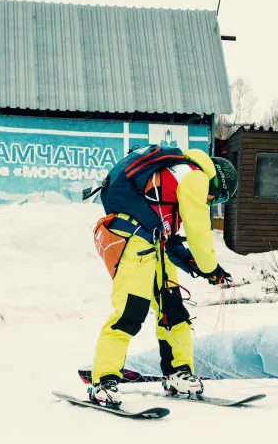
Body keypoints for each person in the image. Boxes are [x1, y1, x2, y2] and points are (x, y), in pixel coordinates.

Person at [89, 144, 238, 407]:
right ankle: (103, 381)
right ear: (216, 185)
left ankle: (177, 373)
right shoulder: (195, 177)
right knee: (129, 312)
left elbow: (170, 239)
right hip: (133, 241)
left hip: (153, 243)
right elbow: (199, 230)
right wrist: (210, 267)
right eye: (216, 198)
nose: (211, 202)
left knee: (174, 310)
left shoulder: (177, 174)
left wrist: (208, 271)